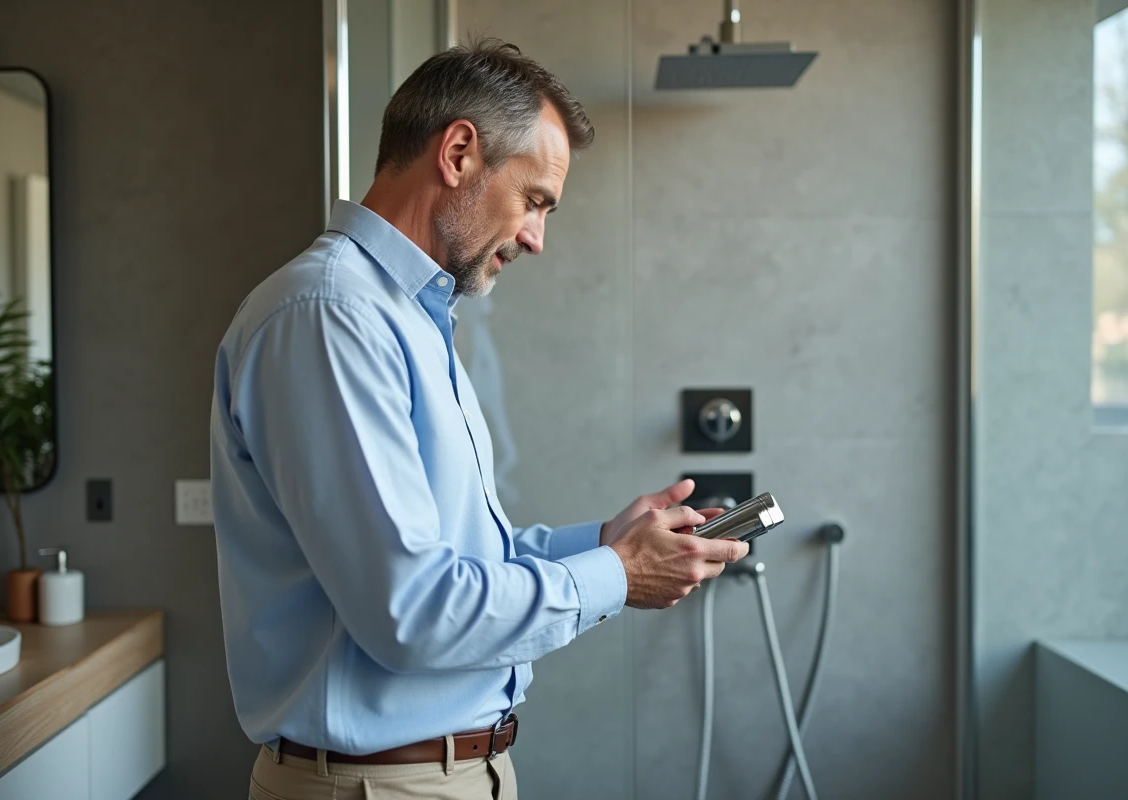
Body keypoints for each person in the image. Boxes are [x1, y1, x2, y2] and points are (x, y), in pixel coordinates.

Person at [210, 37, 750, 800]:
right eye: (534, 201)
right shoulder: (330, 318)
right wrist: (618, 575)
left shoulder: (407, 320)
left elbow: (453, 557)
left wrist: (603, 543)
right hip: (379, 787)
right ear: (459, 152)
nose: (536, 238)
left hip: (445, 774)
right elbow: (413, 611)